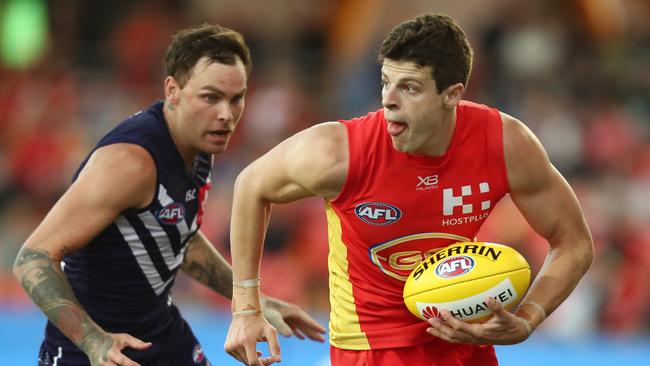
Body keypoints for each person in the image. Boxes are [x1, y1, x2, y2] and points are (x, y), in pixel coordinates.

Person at [224, 13, 594, 366]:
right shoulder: (338, 152)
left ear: (452, 94)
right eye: (386, 82)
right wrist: (245, 309)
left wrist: (528, 319)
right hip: (370, 351)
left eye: (410, 88)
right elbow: (250, 186)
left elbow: (573, 242)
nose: (388, 100)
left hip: (466, 345)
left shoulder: (504, 144)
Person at [13, 24, 326, 366]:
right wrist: (93, 340)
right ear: (173, 91)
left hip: (160, 333)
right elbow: (32, 258)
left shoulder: (198, 142)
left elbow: (179, 236)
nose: (226, 114)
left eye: (236, 98)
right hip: (95, 349)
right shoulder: (129, 163)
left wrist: (253, 301)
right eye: (210, 98)